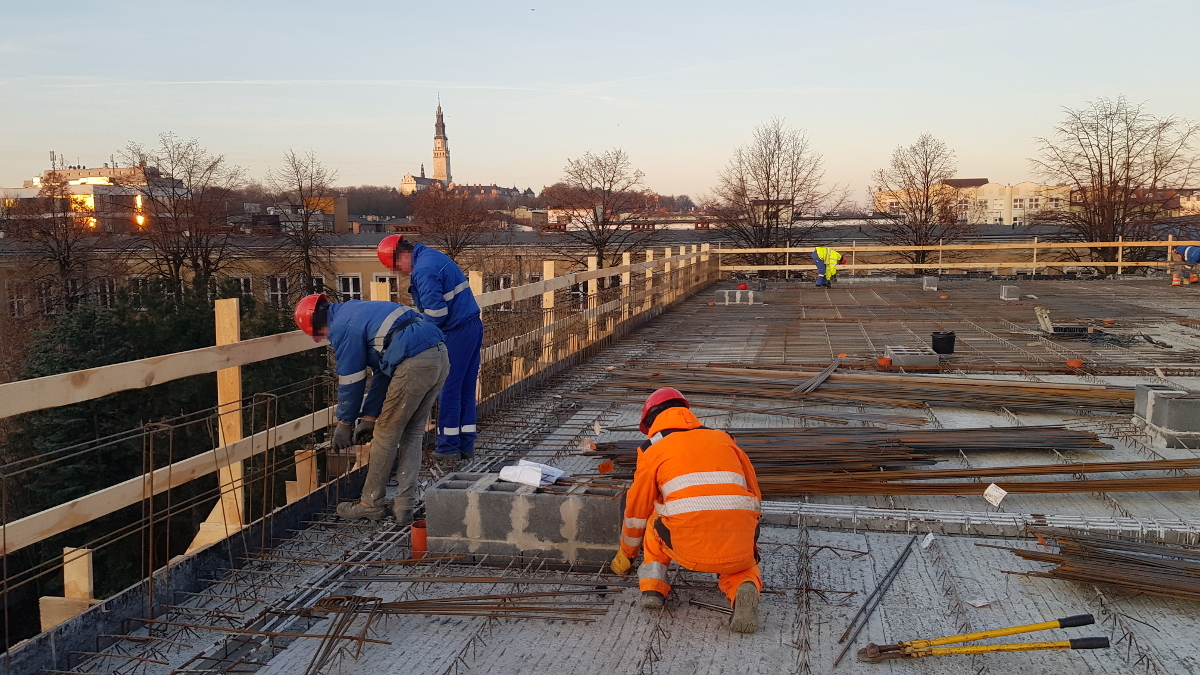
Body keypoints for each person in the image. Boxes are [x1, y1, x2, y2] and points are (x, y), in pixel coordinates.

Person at [609, 387, 764, 633]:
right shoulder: (724, 438)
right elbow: (754, 494)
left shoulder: (652, 449)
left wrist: (627, 554)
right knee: (741, 565)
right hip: (737, 535)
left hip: (686, 544)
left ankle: (653, 587)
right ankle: (743, 586)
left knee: (652, 517)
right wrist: (749, 537)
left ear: (651, 421)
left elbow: (637, 508)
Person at [293, 293, 448, 525]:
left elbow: (351, 379)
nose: (327, 339)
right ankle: (404, 506)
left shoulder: (342, 327)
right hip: (439, 355)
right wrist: (368, 416)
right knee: (412, 434)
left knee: (386, 434)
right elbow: (384, 374)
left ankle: (370, 504)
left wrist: (344, 423)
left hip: (414, 363)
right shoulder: (357, 312)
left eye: (321, 335)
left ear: (317, 323)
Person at [378, 235, 483, 468]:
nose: (401, 273)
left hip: (456, 331)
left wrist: (419, 339)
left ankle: (447, 448)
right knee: (465, 388)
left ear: (402, 255)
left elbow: (436, 315)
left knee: (448, 390)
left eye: (397, 267)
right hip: (471, 325)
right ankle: (465, 444)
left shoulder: (423, 270)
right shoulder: (432, 256)